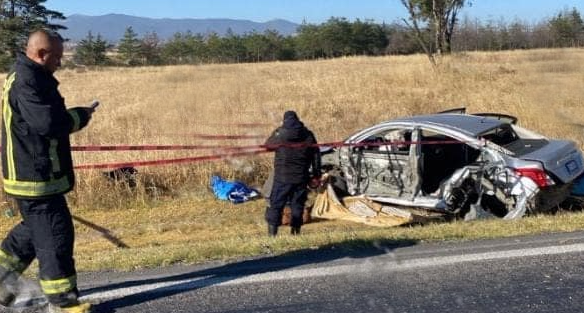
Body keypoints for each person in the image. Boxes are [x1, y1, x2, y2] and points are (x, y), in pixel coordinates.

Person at [0, 29, 95, 313]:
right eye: (57, 57)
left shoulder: (25, 74)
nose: (60, 64)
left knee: (34, 230)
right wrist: (79, 117)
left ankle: (2, 282)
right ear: (41, 54)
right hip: (36, 176)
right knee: (55, 234)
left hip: (31, 174)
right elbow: (47, 123)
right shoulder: (28, 80)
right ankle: (63, 302)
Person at [264, 111, 320, 236]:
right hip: (301, 177)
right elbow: (316, 155)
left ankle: (272, 234)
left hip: (282, 177)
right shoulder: (308, 135)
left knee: (276, 204)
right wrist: (316, 175)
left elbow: (267, 146)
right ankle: (295, 232)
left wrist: (277, 132)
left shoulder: (280, 134)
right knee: (298, 205)